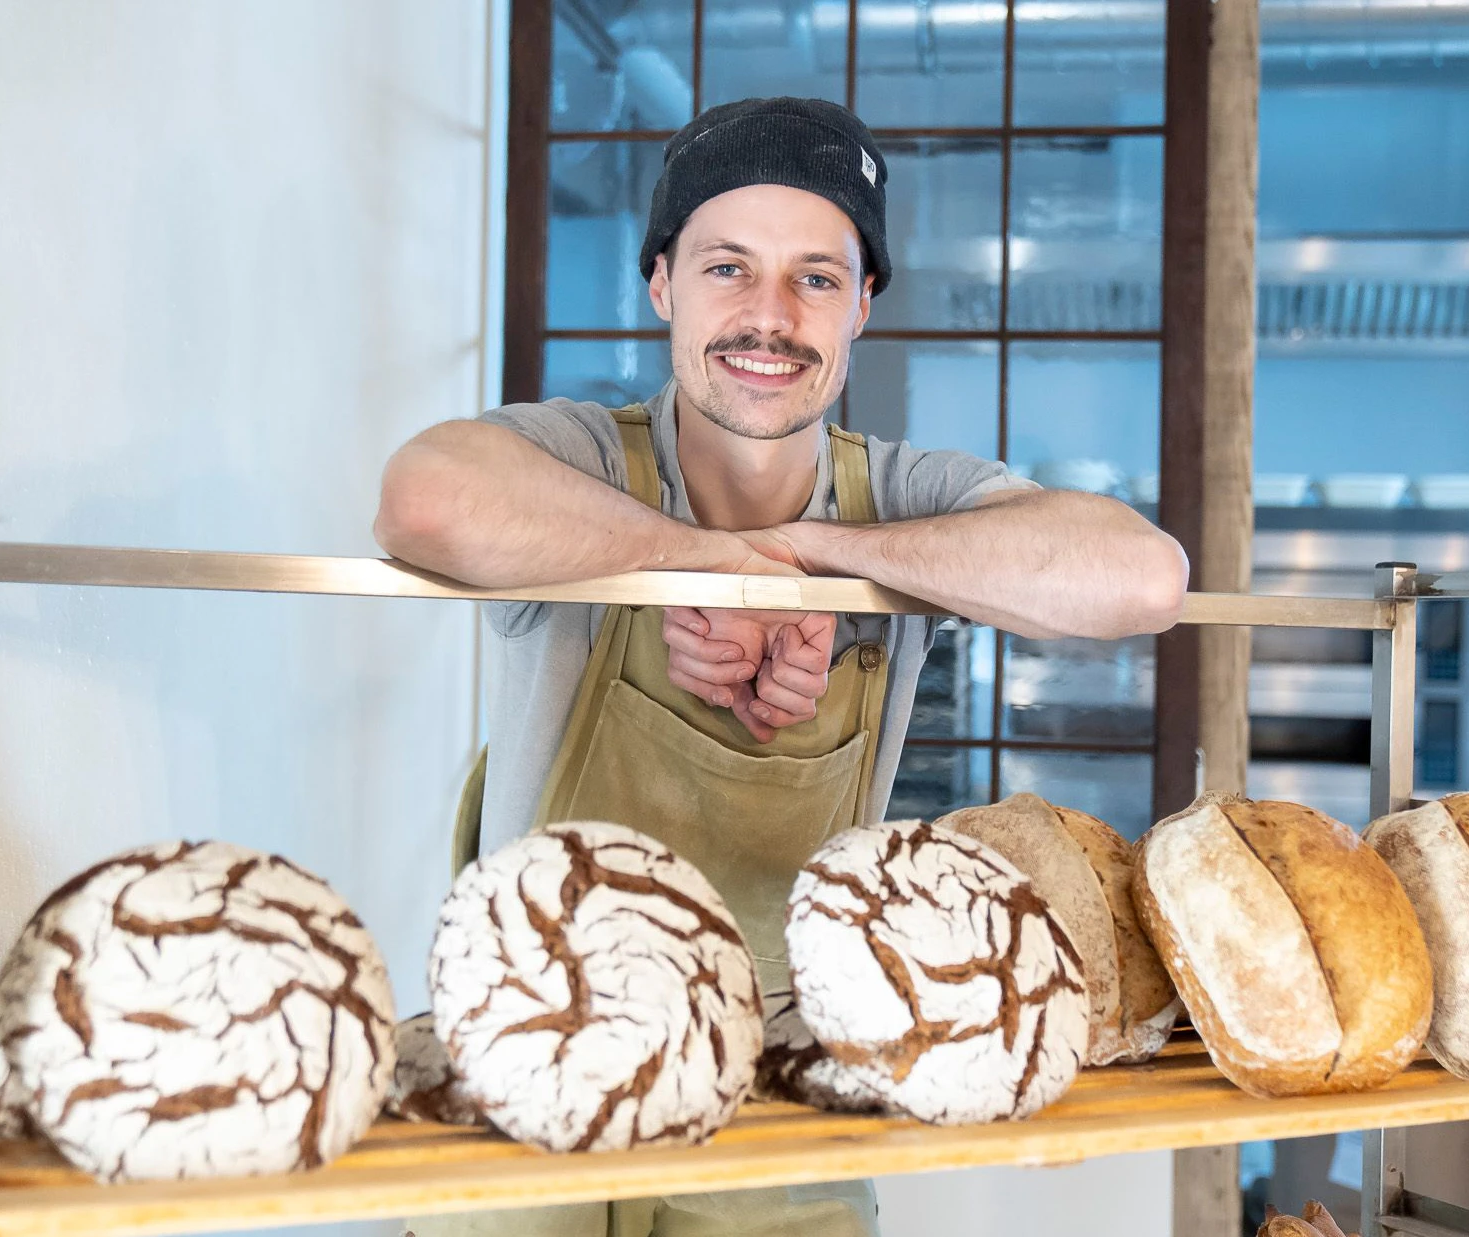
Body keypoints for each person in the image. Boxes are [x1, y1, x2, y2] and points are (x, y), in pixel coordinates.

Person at [375, 96, 1187, 1237]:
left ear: (863, 304)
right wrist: (697, 564)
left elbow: (1140, 578)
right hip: (532, 1048)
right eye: (726, 268)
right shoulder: (579, 461)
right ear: (661, 283)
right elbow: (422, 497)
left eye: (815, 277)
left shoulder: (904, 498)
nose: (769, 317)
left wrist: (818, 562)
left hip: (781, 1084)